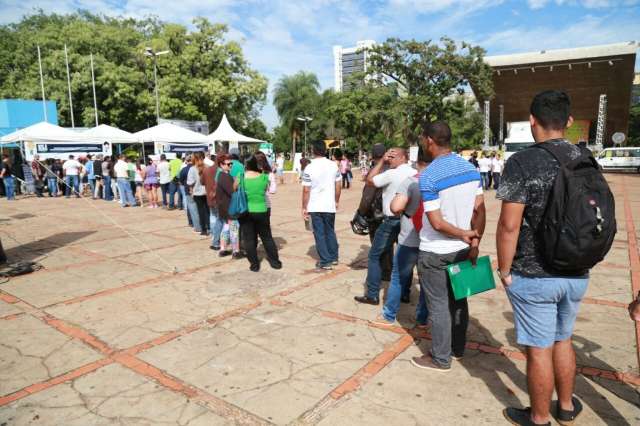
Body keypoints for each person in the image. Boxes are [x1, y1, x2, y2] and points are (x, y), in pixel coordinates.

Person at [497, 90, 589, 426]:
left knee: (539, 349)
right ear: (568, 122)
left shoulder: (522, 161)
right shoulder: (586, 157)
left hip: (534, 276)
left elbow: (509, 225)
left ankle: (538, 418)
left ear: (532, 121)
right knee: (563, 338)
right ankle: (565, 406)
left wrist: (505, 270)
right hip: (577, 269)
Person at [411, 121, 485, 372]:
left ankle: (440, 357)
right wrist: (474, 240)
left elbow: (437, 222)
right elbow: (479, 209)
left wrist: (465, 233)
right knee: (459, 300)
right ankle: (457, 348)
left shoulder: (429, 175)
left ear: (429, 140)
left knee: (439, 305)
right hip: (463, 249)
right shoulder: (470, 169)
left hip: (435, 251)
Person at [373, 145, 430, 326]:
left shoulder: (411, 181)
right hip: (431, 240)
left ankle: (389, 315)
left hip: (409, 239)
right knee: (425, 281)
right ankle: (422, 318)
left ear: (417, 160)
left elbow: (395, 207)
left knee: (398, 278)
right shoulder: (439, 181)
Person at [355, 147, 416, 305]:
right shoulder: (414, 172)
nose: (390, 159)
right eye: (389, 156)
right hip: (408, 219)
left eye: (393, 156)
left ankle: (373, 294)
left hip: (391, 220)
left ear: (403, 157)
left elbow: (370, 180)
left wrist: (381, 160)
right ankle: (404, 293)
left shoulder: (391, 173)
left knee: (374, 255)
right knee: (405, 257)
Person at [302, 140, 341, 271]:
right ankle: (334, 256)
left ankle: (325, 261)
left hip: (315, 205)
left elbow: (306, 190)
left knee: (319, 233)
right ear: (324, 150)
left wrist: (304, 207)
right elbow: (338, 185)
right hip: (329, 205)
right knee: (330, 230)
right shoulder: (334, 166)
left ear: (313, 151)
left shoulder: (309, 167)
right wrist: (336, 200)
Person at [237, 154, 281, 272]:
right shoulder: (263, 177)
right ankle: (275, 262)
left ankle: (254, 264)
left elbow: (233, 188)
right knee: (267, 237)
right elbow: (268, 189)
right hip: (262, 209)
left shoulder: (241, 177)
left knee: (249, 239)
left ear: (245, 165)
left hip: (246, 211)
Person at [216, 154, 241, 257]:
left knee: (226, 228)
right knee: (234, 228)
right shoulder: (224, 176)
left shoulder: (222, 175)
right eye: (228, 164)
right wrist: (236, 182)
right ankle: (236, 251)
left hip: (224, 207)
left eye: (231, 163)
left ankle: (223, 249)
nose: (231, 165)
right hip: (229, 208)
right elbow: (231, 191)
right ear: (221, 165)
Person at [202, 154, 221, 250]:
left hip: (209, 197)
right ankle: (217, 238)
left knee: (213, 217)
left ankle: (214, 235)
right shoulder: (221, 171)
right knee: (219, 219)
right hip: (218, 198)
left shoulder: (207, 169)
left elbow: (202, 182)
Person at [188, 152, 209, 236]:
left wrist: (191, 191)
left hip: (197, 193)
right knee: (208, 211)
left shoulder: (192, 169)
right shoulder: (207, 167)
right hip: (207, 192)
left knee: (200, 211)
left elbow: (190, 182)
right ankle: (210, 227)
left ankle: (204, 229)